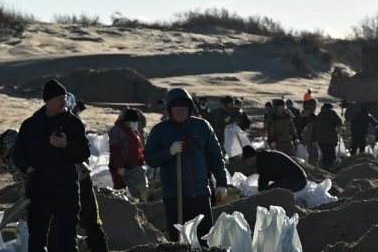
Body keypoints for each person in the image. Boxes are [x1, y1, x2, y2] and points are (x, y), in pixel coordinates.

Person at [9, 78, 92, 252]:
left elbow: (84, 154)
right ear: (48, 101)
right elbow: (18, 153)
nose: (64, 102)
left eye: (64, 98)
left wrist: (65, 145)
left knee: (67, 238)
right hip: (39, 188)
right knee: (37, 239)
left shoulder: (73, 124)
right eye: (59, 99)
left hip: (66, 188)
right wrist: (28, 168)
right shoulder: (31, 125)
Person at [145, 87, 227, 238]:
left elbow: (216, 157)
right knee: (178, 239)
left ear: (190, 109)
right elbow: (150, 158)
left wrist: (222, 183)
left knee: (205, 237)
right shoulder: (160, 130)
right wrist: (168, 152)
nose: (180, 113)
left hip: (200, 194)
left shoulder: (202, 127)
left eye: (183, 109)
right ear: (169, 110)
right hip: (174, 196)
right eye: (176, 110)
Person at [108, 109, 147, 201]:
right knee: (120, 190)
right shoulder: (116, 131)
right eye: (134, 121)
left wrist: (141, 161)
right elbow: (115, 151)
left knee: (138, 191)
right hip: (120, 168)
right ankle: (121, 208)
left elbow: (139, 148)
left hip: (133, 168)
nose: (135, 123)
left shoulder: (134, 131)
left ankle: (139, 207)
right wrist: (120, 167)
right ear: (127, 121)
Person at [238, 144, 308, 194]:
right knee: (270, 190)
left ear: (254, 156)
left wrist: (261, 191)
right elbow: (264, 177)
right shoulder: (262, 157)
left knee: (271, 192)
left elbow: (264, 177)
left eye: (250, 161)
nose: (250, 164)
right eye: (247, 162)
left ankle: (291, 204)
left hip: (298, 180)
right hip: (294, 179)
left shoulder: (264, 160)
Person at [314, 102, 343, 170]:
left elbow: (316, 126)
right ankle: (328, 168)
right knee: (331, 155)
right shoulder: (331, 113)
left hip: (321, 139)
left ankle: (325, 168)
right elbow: (339, 122)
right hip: (330, 139)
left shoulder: (320, 114)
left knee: (325, 154)